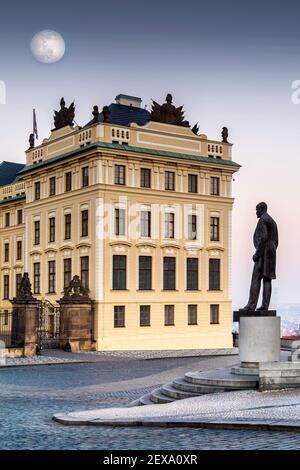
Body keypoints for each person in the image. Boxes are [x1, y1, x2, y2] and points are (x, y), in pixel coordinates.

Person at [240, 202, 278, 311]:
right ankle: (265, 306)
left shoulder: (263, 220)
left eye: (257, 210)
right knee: (267, 278)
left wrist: (257, 253)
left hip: (263, 252)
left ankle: (251, 305)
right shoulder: (272, 221)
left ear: (261, 209)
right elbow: (276, 240)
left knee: (256, 277)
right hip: (271, 251)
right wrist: (271, 250)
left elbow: (264, 237)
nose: (256, 212)